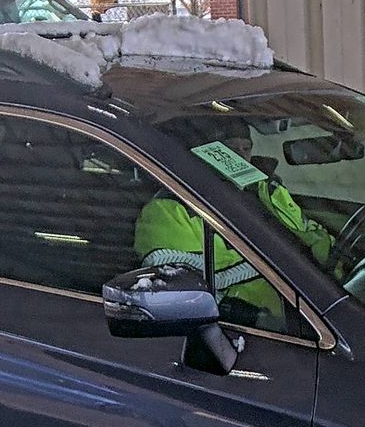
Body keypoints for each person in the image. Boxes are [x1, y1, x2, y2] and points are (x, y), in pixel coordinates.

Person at [133, 122, 334, 331]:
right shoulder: (167, 210)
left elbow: (311, 237)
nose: (240, 156)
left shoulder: (265, 190)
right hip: (253, 328)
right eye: (231, 149)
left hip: (317, 305)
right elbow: (181, 290)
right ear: (210, 152)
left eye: (246, 148)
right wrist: (255, 318)